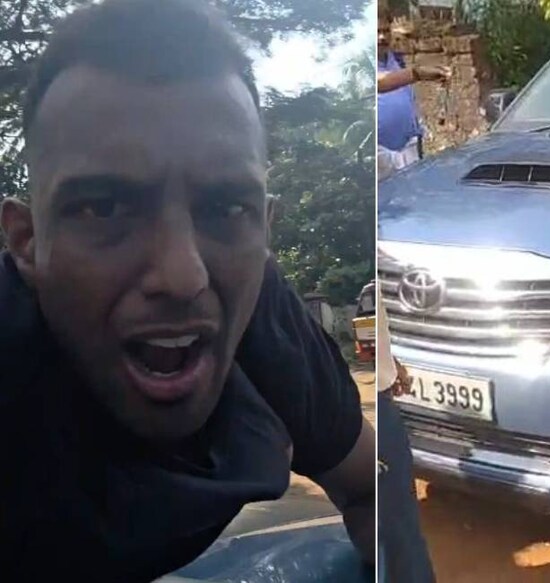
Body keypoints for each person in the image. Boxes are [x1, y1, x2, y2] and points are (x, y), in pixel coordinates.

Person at [0, 0, 374, 578]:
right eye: (103, 208)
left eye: (227, 208)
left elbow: (372, 489)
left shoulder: (266, 325)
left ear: (265, 230)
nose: (183, 276)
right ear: (26, 243)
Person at [377, 278, 437, 582]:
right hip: (379, 408)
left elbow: (375, 338)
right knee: (396, 528)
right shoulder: (369, 286)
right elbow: (366, 341)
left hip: (383, 396)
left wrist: (391, 364)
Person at [376, 6, 450, 177]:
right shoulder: (361, 64)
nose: (382, 37)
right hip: (378, 151)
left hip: (408, 146)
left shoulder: (397, 58)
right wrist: (418, 73)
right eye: (376, 32)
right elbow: (381, 81)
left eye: (385, 31)